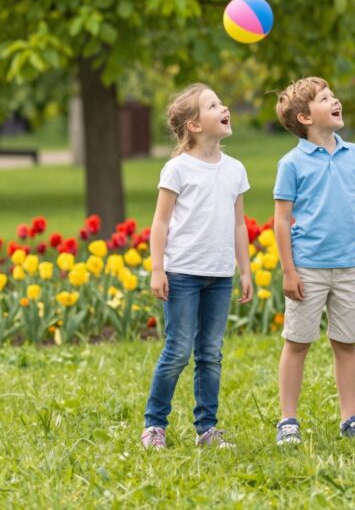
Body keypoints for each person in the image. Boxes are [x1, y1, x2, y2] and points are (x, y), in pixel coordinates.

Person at [141, 84, 253, 449]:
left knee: (210, 353)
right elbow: (160, 223)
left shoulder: (235, 169)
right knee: (177, 351)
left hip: (219, 275)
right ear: (194, 125)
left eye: (222, 101)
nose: (224, 107)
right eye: (213, 105)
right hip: (183, 274)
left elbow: (239, 224)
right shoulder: (177, 169)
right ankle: (154, 424)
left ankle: (207, 429)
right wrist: (158, 269)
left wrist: (245, 270)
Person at [272, 77, 355, 445]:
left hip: (349, 265)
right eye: (325, 98)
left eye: (334, 95)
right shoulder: (292, 163)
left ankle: (350, 418)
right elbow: (282, 220)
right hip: (307, 269)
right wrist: (288, 270)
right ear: (304, 117)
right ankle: (288, 420)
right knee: (298, 342)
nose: (336, 101)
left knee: (346, 343)